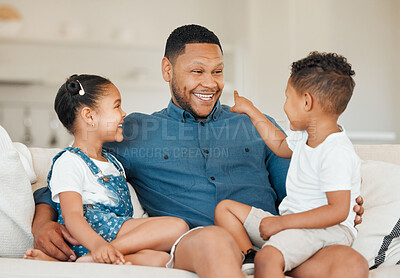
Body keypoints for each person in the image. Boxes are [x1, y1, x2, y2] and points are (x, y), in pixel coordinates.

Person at [32, 25, 367, 277]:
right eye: (197, 72)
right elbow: (75, 171)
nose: (210, 83)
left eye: (218, 72)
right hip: (198, 244)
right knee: (215, 239)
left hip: (272, 246)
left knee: (350, 262)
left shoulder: (256, 124)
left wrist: (339, 199)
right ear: (168, 70)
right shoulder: (134, 130)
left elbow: (298, 181)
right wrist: (43, 222)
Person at [215, 52, 364, 277]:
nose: (284, 105)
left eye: (287, 97)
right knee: (225, 209)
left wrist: (282, 223)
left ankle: (267, 261)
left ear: (306, 102)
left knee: (269, 257)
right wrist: (250, 110)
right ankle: (250, 255)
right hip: (295, 224)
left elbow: (338, 211)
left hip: (326, 228)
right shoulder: (305, 135)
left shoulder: (336, 151)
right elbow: (281, 145)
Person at [24, 74, 188, 266]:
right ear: (89, 116)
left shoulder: (113, 162)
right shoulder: (70, 161)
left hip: (114, 233)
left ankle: (89, 262)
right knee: (178, 226)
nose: (124, 113)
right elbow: (72, 216)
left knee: (161, 259)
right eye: (117, 106)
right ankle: (97, 255)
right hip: (91, 238)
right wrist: (99, 245)